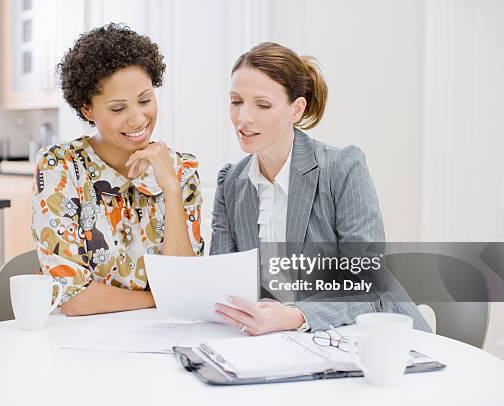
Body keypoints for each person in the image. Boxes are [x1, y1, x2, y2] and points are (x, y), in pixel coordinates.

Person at [211, 42, 430, 335]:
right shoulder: (231, 182)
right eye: (236, 101)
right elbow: (221, 282)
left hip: (371, 336)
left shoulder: (342, 168)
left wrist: (293, 316)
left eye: (262, 105)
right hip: (278, 342)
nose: (243, 118)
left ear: (296, 109)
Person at [31, 23, 203, 316]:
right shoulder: (60, 166)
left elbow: (187, 285)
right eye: (118, 108)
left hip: (162, 338)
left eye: (145, 100)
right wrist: (160, 298)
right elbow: (74, 299)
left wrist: (171, 189)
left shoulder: (181, 170)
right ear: (87, 109)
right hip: (79, 344)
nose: (138, 119)